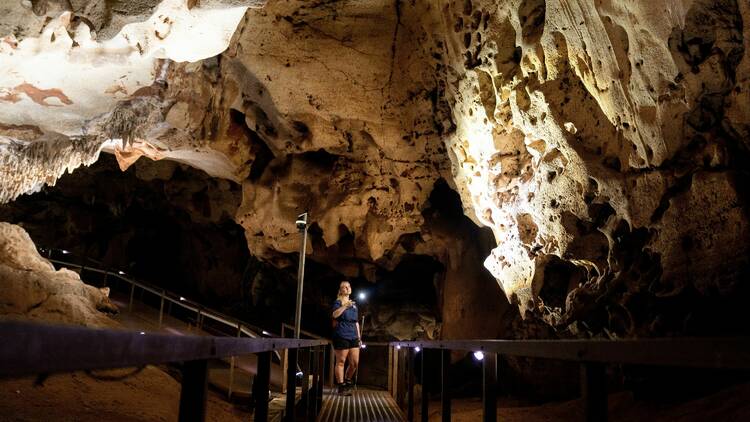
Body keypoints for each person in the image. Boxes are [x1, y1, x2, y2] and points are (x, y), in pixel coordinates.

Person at [331, 280, 361, 396]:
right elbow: (334, 315)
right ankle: (341, 386)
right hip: (341, 334)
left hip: (353, 335)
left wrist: (359, 337)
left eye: (348, 286)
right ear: (341, 290)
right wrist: (345, 306)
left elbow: (356, 322)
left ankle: (348, 380)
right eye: (344, 287)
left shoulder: (354, 305)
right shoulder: (338, 302)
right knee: (341, 361)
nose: (347, 288)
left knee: (354, 363)